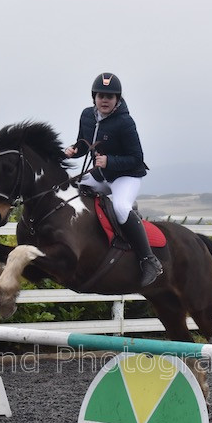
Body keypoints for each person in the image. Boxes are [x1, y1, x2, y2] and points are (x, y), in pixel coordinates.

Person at [64, 72, 163, 287]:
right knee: (71, 190)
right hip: (101, 175)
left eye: (110, 96)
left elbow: (137, 158)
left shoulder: (126, 122)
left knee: (120, 207)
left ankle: (149, 260)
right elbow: (84, 144)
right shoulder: (87, 116)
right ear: (94, 98)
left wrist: (110, 162)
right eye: (101, 95)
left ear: (117, 99)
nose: (105, 100)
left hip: (127, 177)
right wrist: (74, 150)